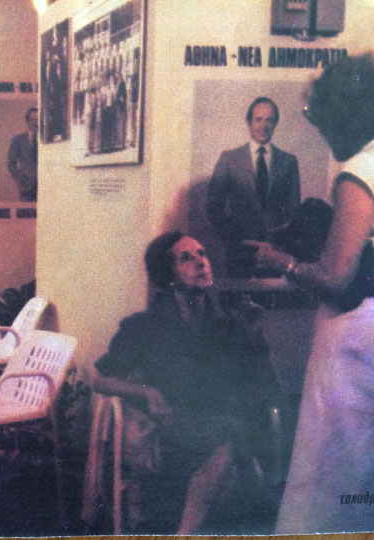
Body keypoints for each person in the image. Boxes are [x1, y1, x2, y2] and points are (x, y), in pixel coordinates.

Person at [244, 52, 374, 534]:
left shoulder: (361, 170)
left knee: (332, 472)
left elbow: (336, 277)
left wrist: (282, 262)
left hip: (355, 333)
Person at [93, 231, 280, 534]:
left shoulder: (228, 321)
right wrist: (147, 392)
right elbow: (101, 380)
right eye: (186, 258)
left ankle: (189, 530)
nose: (201, 263)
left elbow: (260, 379)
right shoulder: (145, 326)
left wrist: (253, 334)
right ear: (167, 275)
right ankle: (250, 499)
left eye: (202, 254)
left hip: (219, 423)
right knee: (234, 433)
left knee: (234, 429)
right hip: (170, 427)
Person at [207, 97, 300, 277]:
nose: (263, 125)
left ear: (275, 123)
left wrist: (277, 243)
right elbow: (214, 207)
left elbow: (293, 209)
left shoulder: (288, 162)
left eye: (269, 120)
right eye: (258, 119)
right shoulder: (229, 159)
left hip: (276, 253)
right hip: (239, 251)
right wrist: (237, 241)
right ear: (249, 123)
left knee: (273, 294)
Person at [6, 107, 38, 202]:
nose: (35, 123)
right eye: (32, 120)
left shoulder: (47, 140)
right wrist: (21, 180)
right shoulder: (17, 140)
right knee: (26, 210)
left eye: (37, 120)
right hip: (26, 188)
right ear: (27, 121)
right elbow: (11, 164)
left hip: (45, 186)